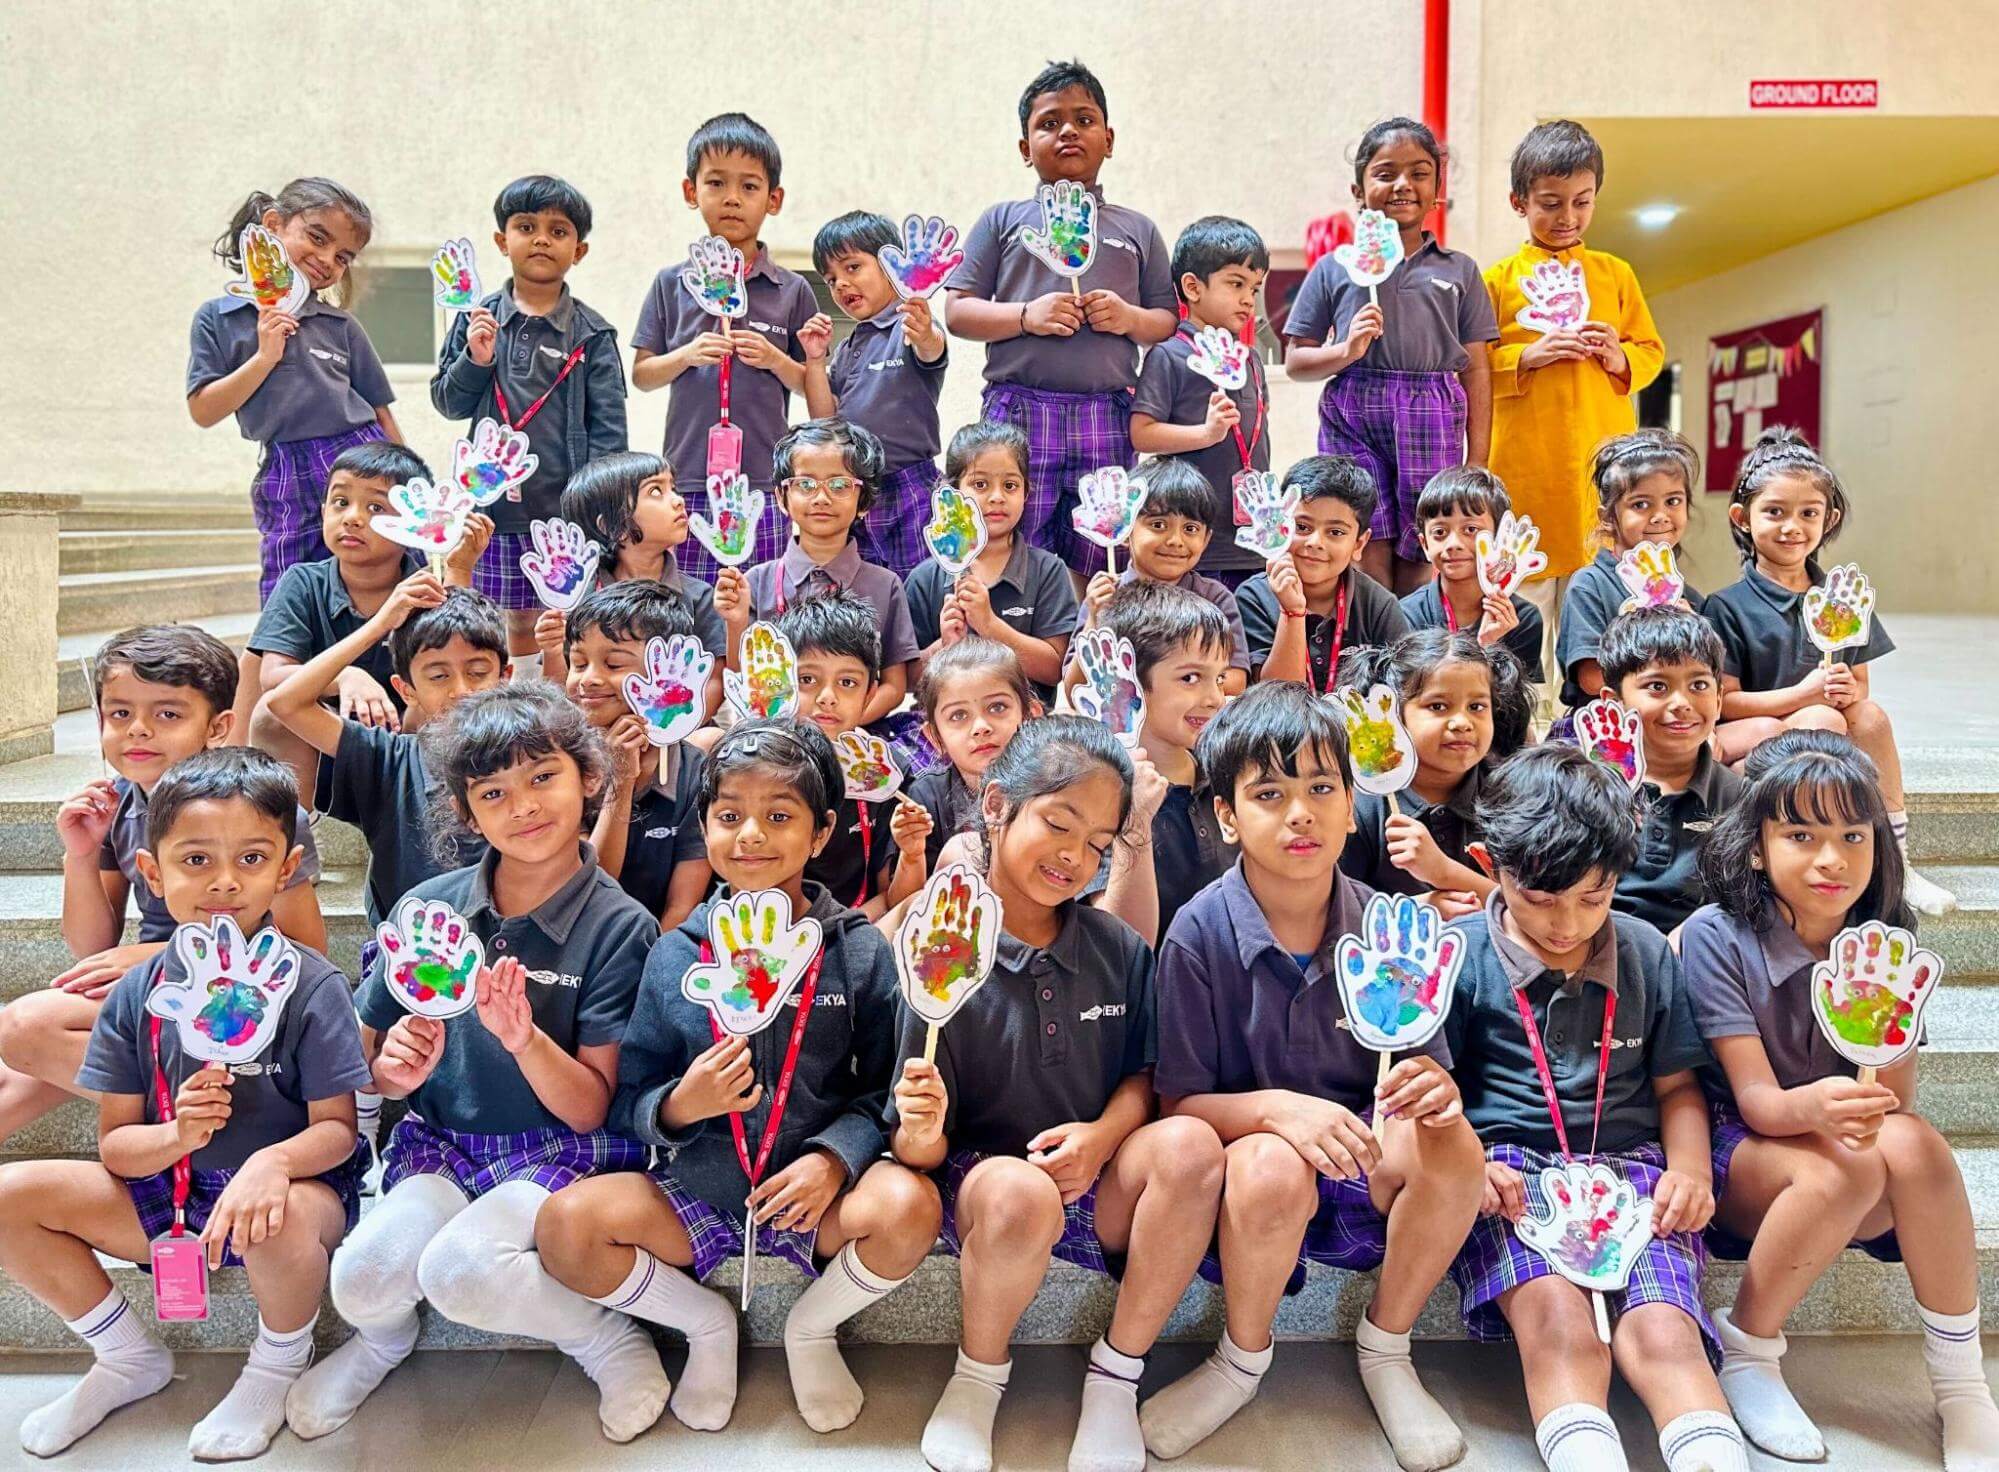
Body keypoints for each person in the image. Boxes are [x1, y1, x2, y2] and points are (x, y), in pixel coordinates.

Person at [538, 719, 941, 1435]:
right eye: (729, 816)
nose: (751, 835)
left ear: (820, 834)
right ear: (705, 827)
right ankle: (705, 1324)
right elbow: (630, 1097)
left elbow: (882, 1091)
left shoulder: (857, 951)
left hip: (812, 1202)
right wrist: (679, 1105)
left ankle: (811, 1329)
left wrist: (833, 1160)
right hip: (699, 1193)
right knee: (566, 1228)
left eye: (779, 816)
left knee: (909, 1206)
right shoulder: (676, 953)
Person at [284, 685, 663, 1445]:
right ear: (466, 813)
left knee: (461, 1274)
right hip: (444, 1145)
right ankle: (384, 1343)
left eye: (542, 777)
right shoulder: (427, 908)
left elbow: (590, 1107)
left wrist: (525, 1041)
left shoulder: (621, 925)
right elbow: (364, 1059)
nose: (523, 806)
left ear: (589, 777)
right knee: (360, 1280)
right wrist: (392, 1072)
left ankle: (607, 1340)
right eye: (493, 793)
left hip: (564, 1153)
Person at [1148, 683, 1486, 1470]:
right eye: (1269, 794)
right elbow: (1179, 1105)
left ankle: (1387, 1347)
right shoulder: (1197, 932)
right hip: (1255, 1180)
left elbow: (1422, 1068)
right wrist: (1277, 1111)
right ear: (1228, 816)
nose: (1299, 814)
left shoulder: (1388, 924)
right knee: (1270, 1164)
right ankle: (1240, 1359)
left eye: (1321, 789)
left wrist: (1434, 1093)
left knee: (1453, 1143)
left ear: (1351, 806)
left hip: (1364, 1159)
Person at [0, 748, 369, 1461]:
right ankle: (125, 1358)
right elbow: (116, 1147)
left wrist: (268, 1166)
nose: (224, 881)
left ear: (286, 869)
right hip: (171, 1192)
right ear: (151, 872)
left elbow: (338, 1131)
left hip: (293, 1193)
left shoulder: (311, 983)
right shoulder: (138, 993)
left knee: (280, 1217)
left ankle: (276, 1363)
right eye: (196, 860)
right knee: (10, 1198)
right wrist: (177, 1133)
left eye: (251, 859)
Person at [889, 716, 1224, 1472]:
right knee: (1018, 1194)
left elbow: (1144, 1076)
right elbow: (915, 1149)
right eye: (1058, 824)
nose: (1075, 857)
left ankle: (1117, 1374)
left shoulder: (1117, 948)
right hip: (988, 1187)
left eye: (1098, 844)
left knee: (1191, 1146)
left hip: (1099, 1176)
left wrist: (1102, 1138)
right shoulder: (936, 951)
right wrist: (922, 1129)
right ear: (998, 805)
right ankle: (978, 1374)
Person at [1685, 731, 1999, 1467]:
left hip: (1848, 1163)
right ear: (1756, 848)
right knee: (1848, 1166)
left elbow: (1895, 1103)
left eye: (1852, 836)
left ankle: (1960, 1384)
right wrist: (1816, 1111)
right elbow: (1756, 1099)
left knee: (1913, 1143)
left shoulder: (1883, 941)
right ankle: (1749, 1349)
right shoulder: (1716, 936)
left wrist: (1867, 1085)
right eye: (1801, 835)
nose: (1832, 859)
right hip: (1745, 1158)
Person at [1445, 745, 1746, 1472]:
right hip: (1507, 1175)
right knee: (1554, 1319)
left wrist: (1688, 1171)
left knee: (1665, 1331)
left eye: (1592, 898)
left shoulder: (1644, 951)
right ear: (1489, 864)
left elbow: (1677, 1087)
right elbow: (1432, 1094)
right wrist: (1463, 1166)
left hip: (1633, 1172)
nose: (1566, 924)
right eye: (1541, 898)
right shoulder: (1459, 955)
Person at [0, 629, 324, 1143]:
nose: (138, 730)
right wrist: (80, 854)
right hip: (162, 990)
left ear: (218, 727)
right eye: (120, 713)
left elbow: (307, 948)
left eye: (168, 714)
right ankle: (201, 1113)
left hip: (239, 1001)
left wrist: (158, 955)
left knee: (26, 1028)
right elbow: (91, 948)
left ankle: (233, 1116)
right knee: (12, 1079)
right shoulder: (120, 804)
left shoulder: (259, 809)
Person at [1705, 427, 1953, 915]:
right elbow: (1723, 703)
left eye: (1808, 513)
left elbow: (1859, 684)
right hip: (1760, 742)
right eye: (1774, 512)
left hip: (1827, 725)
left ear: (1829, 519)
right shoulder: (1725, 606)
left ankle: (1897, 862)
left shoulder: (1842, 599)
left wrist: (1844, 688)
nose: (1792, 527)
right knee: (1822, 718)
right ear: (1742, 518)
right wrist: (1805, 695)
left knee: (1870, 717)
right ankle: (1804, 855)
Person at [945, 59, 1178, 573]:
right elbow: (958, 311)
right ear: (1025, 149)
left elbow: (1166, 319)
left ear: (1109, 140)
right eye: (1049, 123)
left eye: (1084, 120)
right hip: (1018, 409)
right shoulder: (1003, 220)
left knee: (1102, 551)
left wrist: (1128, 317)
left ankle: (1086, 625)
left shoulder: (1137, 229)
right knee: (1008, 542)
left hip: (1107, 411)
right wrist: (1026, 315)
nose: (1068, 131)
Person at [1285, 118, 1497, 594]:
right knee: (1364, 537)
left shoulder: (1459, 270)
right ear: (1358, 190)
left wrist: (1478, 458)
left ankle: (1416, 637)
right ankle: (1374, 634)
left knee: (1427, 540)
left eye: (1419, 173)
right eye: (1385, 174)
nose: (1403, 185)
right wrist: (1345, 350)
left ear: (1437, 189)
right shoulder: (1334, 268)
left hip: (1432, 411)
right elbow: (1297, 361)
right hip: (1352, 411)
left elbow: (1477, 368)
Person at [431, 174, 628, 656]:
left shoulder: (593, 334)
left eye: (558, 231)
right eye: (526, 227)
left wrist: (597, 514)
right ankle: (512, 697)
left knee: (564, 622)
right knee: (500, 623)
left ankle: (555, 699)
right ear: (502, 241)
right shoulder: (476, 318)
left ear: (578, 250)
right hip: (492, 510)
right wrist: (476, 359)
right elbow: (448, 402)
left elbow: (610, 435)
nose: (541, 239)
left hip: (563, 514)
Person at [186, 178, 401, 605]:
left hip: (358, 455)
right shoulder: (218, 318)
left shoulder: (340, 325)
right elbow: (203, 410)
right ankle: (289, 648)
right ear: (273, 224)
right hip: (285, 463)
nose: (326, 260)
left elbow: (380, 412)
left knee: (382, 568)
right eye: (317, 238)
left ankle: (388, 642)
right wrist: (264, 357)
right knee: (287, 579)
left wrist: (411, 485)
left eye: (342, 257)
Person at [632, 113, 828, 579]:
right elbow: (641, 374)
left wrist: (775, 359)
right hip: (689, 477)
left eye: (749, 186)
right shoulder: (670, 283)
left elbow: (811, 386)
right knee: (689, 596)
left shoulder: (792, 289)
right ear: (691, 191)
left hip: (763, 479)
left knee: (761, 595)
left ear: (773, 199)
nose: (732, 198)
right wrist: (687, 355)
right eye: (716, 183)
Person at [1484, 121, 1665, 621]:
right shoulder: (1496, 281)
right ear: (1519, 202)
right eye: (1551, 203)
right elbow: (1470, 368)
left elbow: (1650, 350)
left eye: (1582, 202)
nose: (1568, 216)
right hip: (1526, 465)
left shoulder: (1614, 274)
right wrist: (1524, 357)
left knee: (1602, 601)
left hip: (1600, 457)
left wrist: (1619, 357)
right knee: (1523, 605)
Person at [248, 441, 484, 805]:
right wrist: (345, 676)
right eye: (341, 502)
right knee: (270, 713)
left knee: (441, 708)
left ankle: (437, 815)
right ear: (323, 510)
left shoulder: (426, 585)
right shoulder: (302, 582)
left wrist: (460, 568)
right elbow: (273, 677)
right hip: (326, 734)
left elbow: (458, 649)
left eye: (376, 507)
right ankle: (295, 824)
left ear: (414, 523)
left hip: (407, 740)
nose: (353, 518)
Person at [724, 419, 920, 729]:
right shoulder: (757, 582)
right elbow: (742, 674)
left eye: (839, 485)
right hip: (775, 738)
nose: (821, 498)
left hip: (852, 737)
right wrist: (735, 623)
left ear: (864, 501)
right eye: (806, 484)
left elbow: (894, 686)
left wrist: (835, 726)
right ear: (782, 497)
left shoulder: (886, 586)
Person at [1336, 629, 1529, 918]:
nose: (1462, 722)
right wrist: (1420, 909)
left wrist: (1443, 871)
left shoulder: (1513, 795)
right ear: (1395, 714)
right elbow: (1335, 912)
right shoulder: (1360, 806)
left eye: (1477, 707)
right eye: (1438, 706)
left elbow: (1538, 910)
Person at [1085, 582, 1233, 946]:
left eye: (1220, 678)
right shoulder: (1097, 795)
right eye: (1190, 678)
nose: (1214, 698)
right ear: (1127, 681)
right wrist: (1136, 819)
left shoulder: (1228, 772)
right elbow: (1122, 944)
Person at [804, 210, 949, 578]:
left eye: (853, 267)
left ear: (891, 266)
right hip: (856, 490)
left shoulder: (909, 324)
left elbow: (931, 348)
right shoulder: (849, 345)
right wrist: (815, 361)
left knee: (919, 584)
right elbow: (825, 421)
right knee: (862, 586)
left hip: (911, 487)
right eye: (831, 279)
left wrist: (925, 332)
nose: (841, 284)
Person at [562, 580, 714, 929]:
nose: (588, 679)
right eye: (579, 663)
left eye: (614, 664)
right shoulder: (562, 763)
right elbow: (589, 886)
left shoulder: (696, 773)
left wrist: (651, 959)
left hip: (659, 943)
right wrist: (621, 780)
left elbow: (681, 908)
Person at [1129, 216, 1270, 586]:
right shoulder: (1169, 355)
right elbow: (1142, 434)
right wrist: (1205, 434)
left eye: (1254, 288)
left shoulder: (1251, 358)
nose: (1248, 299)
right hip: (1190, 542)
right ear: (1192, 287)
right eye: (1236, 284)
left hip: (1251, 539)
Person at [776, 592, 931, 919]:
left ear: (870, 694)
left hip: (861, 925)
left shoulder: (888, 773)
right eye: (807, 679)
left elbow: (895, 899)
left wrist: (912, 853)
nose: (827, 697)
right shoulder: (759, 768)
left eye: (847, 682)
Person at [906, 421, 1077, 706]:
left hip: (1027, 726)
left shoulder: (1048, 571)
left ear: (1026, 493)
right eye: (980, 484)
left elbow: (1054, 669)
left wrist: (989, 625)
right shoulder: (925, 578)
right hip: (946, 724)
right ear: (953, 492)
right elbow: (907, 680)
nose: (997, 497)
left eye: (1010, 485)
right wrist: (944, 646)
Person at [1596, 608, 1740, 935]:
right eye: (1657, 686)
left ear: (1719, 699)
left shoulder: (1740, 800)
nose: (1681, 703)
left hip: (1699, 953)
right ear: (1613, 703)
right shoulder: (1582, 789)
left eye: (1699, 685)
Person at [531, 450, 728, 682]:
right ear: (613, 526)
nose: (678, 500)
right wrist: (552, 650)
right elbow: (558, 691)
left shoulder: (698, 596)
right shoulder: (578, 599)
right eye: (656, 491)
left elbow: (714, 681)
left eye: (673, 488)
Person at [1553, 429, 1704, 711]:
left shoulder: (1687, 596)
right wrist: (1662, 649)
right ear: (1608, 517)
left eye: (1673, 501)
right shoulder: (1591, 585)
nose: (1660, 516)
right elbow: (1592, 679)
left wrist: (1696, 632)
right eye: (1641, 505)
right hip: (1607, 727)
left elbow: (1704, 677)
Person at [1071, 458, 1250, 696]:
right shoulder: (1104, 597)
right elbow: (1076, 687)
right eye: (1158, 525)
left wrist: (1162, 686)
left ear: (1206, 539)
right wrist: (1095, 620)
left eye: (1190, 529)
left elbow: (1236, 680)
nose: (1175, 540)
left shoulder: (1215, 598)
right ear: (1125, 530)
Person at [1237, 455, 1410, 690]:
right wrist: (1292, 613)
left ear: (1359, 544)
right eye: (1302, 527)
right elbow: (1274, 697)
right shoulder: (1253, 597)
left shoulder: (1378, 605)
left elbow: (1405, 689)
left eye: (1336, 532)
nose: (1315, 542)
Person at [1400, 465, 1546, 685]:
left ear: (1500, 536)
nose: (1454, 543)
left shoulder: (1522, 619)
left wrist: (1491, 645)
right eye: (1440, 532)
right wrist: (1481, 650)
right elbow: (1410, 695)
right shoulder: (1407, 615)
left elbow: (1520, 703)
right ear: (1425, 544)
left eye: (1470, 530)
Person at [908, 639, 1041, 872]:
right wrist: (911, 855)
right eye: (958, 715)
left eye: (997, 707)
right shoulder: (926, 798)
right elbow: (914, 891)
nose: (980, 727)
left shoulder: (1054, 785)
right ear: (936, 737)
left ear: (1029, 715)